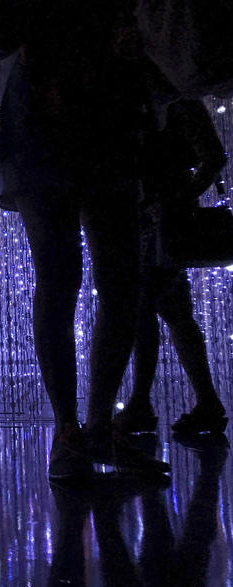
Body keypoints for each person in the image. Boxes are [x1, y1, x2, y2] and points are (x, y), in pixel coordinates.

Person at [0, 0, 170, 480]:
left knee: (111, 283)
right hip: (56, 134)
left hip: (94, 130)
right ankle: (77, 431)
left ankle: (84, 431)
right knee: (76, 280)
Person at [115, 99, 228, 436]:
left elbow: (213, 157)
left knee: (146, 307)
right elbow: (212, 156)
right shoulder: (172, 95)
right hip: (155, 218)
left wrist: (176, 200)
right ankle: (204, 401)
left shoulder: (175, 98)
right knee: (173, 311)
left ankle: (142, 404)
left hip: (160, 221)